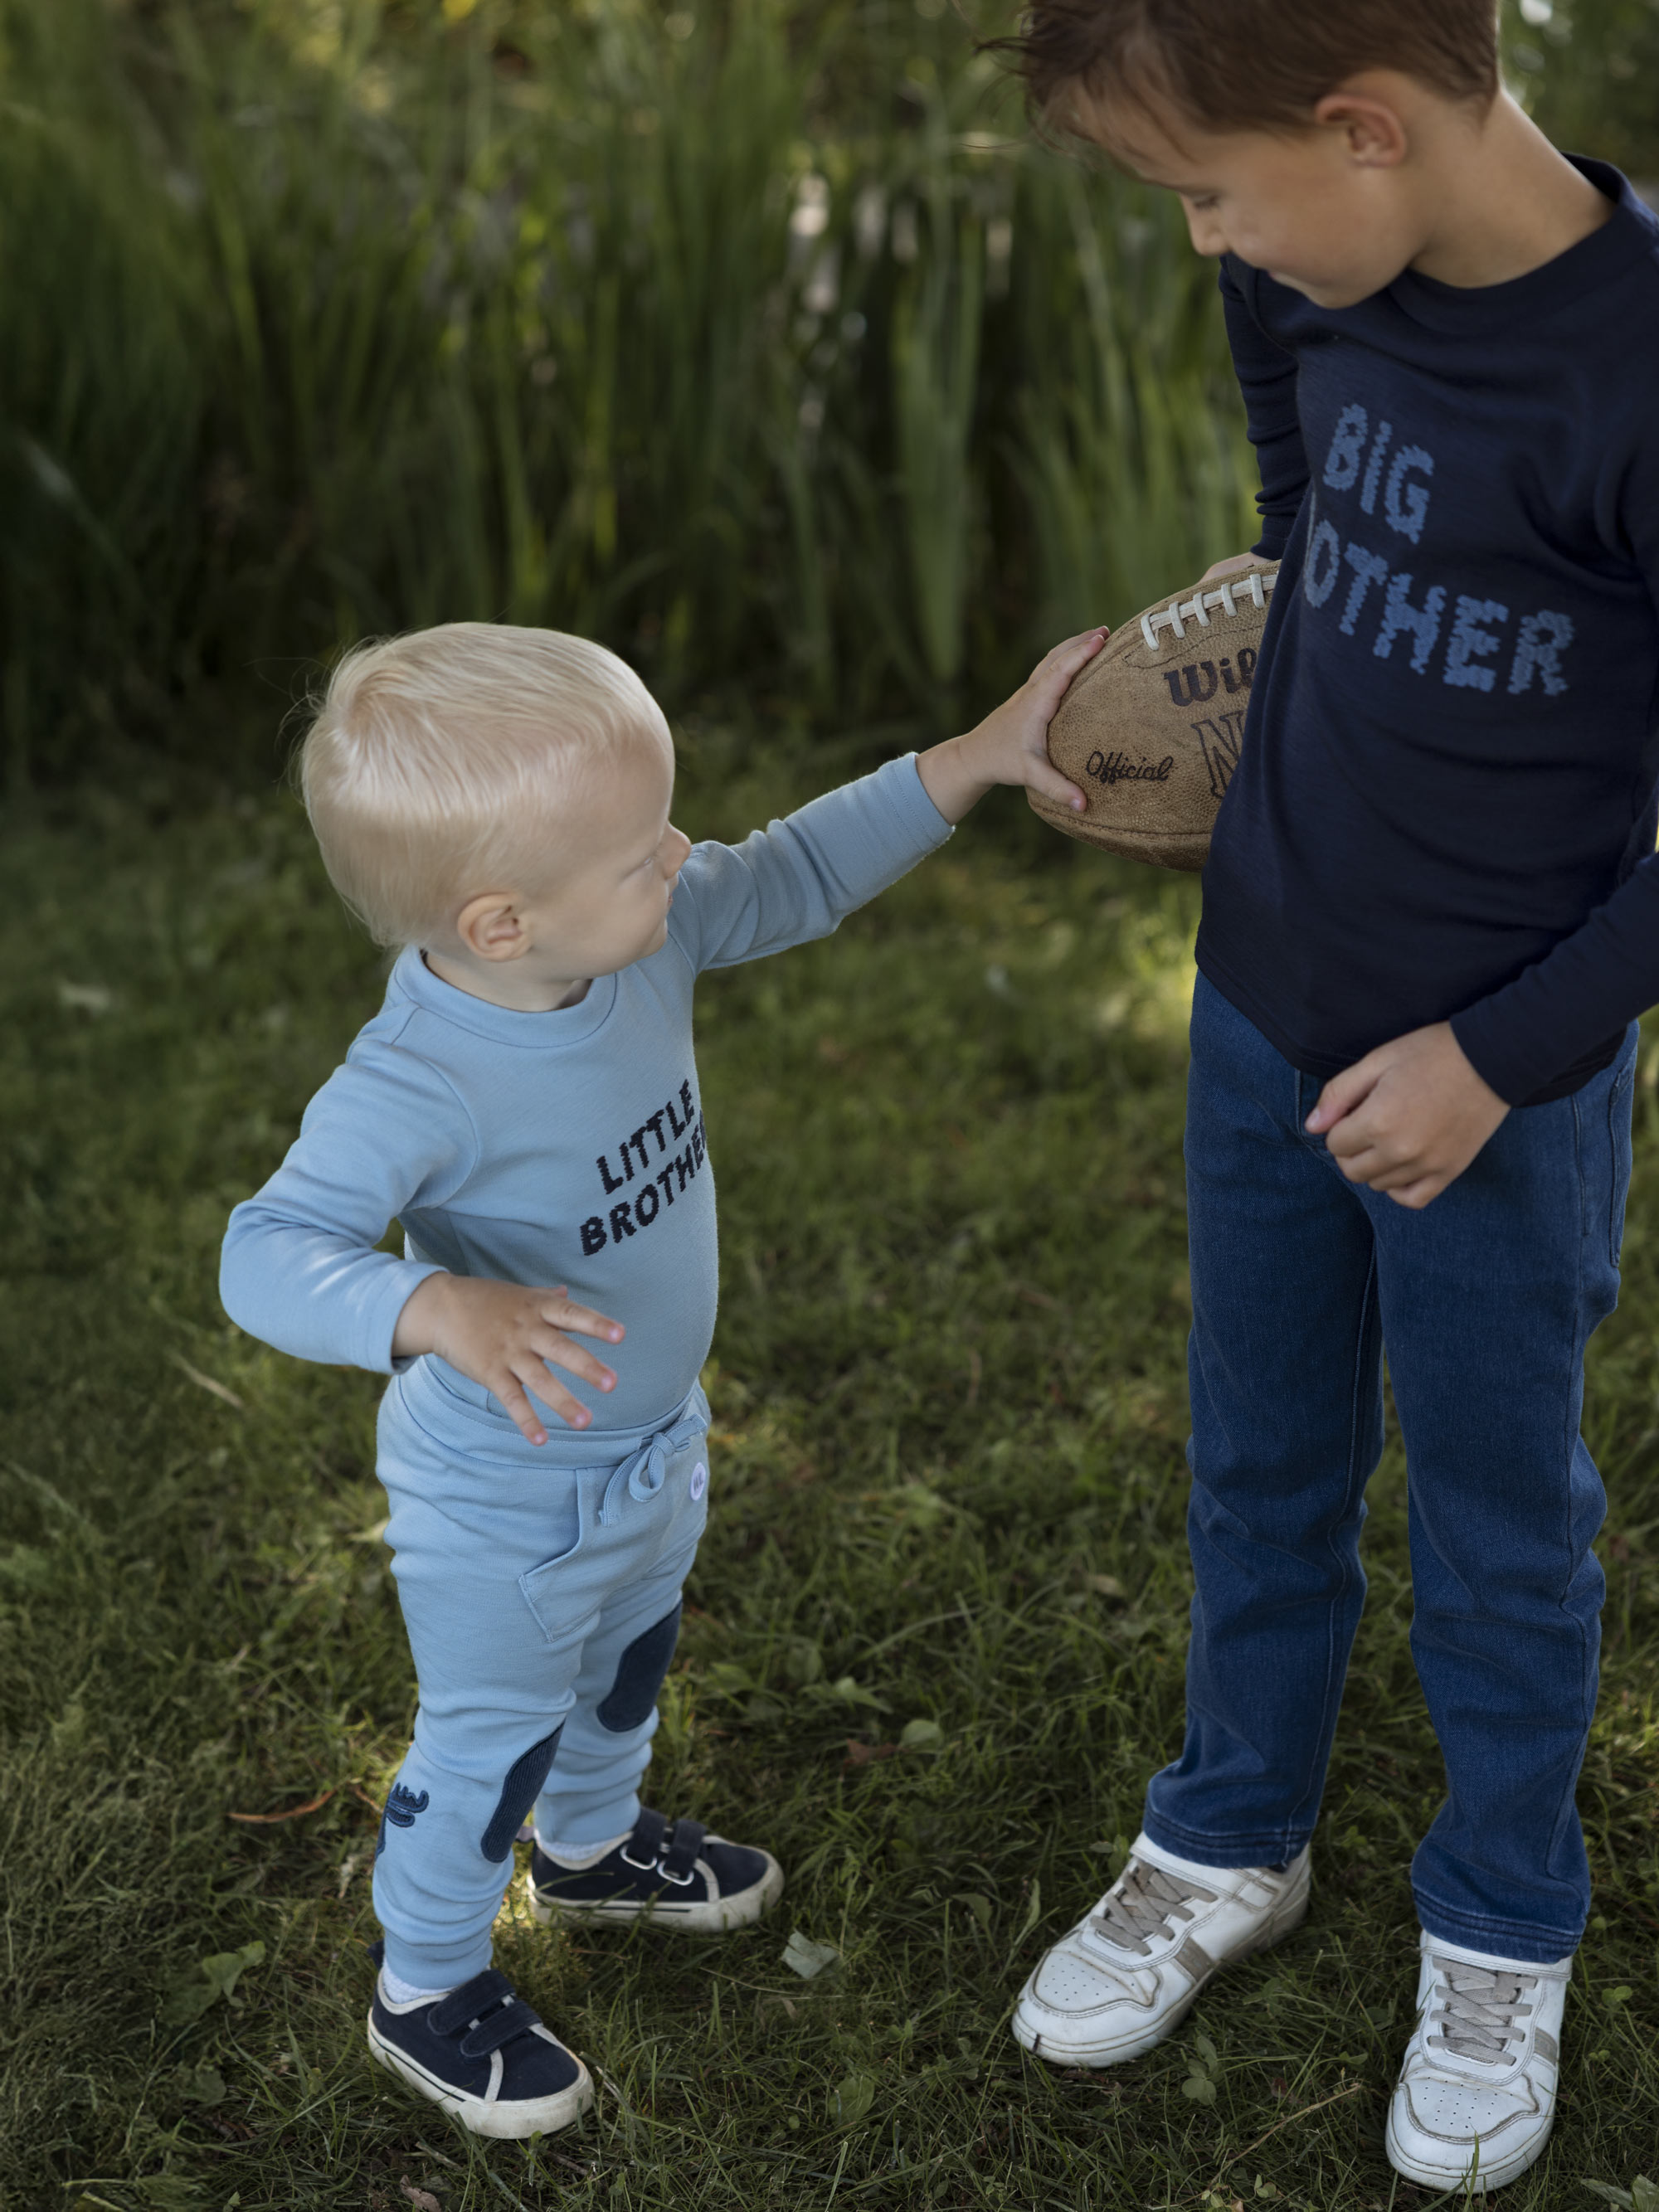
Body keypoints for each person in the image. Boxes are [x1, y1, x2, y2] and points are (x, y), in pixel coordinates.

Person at [996, 0, 1659, 2191]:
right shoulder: (1308, 273)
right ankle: (1227, 1828)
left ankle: (1499, 1915)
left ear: (1365, 127)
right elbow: (1297, 521)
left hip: (1497, 1078)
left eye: (1208, 187)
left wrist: (1496, 1059)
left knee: (1495, 1511)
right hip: (1260, 996)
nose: (1203, 238)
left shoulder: (1635, 372)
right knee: (1261, 1444)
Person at [220, 618, 1102, 2139]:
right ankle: (425, 1983)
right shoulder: (418, 1080)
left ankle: (594, 1849)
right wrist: (436, 1304)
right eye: (638, 851)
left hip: (642, 1443)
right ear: (499, 924)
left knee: (628, 1664)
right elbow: (263, 1250)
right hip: (506, 1484)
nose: (682, 856)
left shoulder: (639, 935)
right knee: (489, 1733)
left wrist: (977, 758)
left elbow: (800, 867)